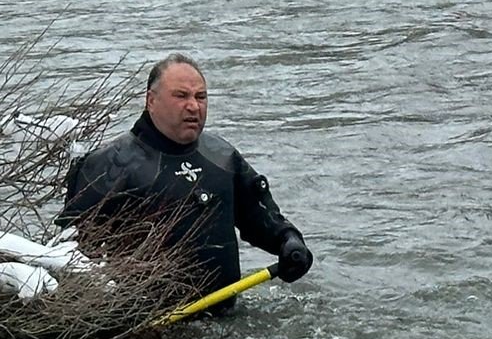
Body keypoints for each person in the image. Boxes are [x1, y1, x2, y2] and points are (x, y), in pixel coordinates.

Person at [60, 54, 312, 296]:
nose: (193, 106)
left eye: (201, 97)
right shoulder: (109, 164)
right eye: (181, 96)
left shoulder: (221, 156)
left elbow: (257, 215)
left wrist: (288, 240)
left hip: (225, 317)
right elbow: (70, 254)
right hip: (149, 324)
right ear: (151, 101)